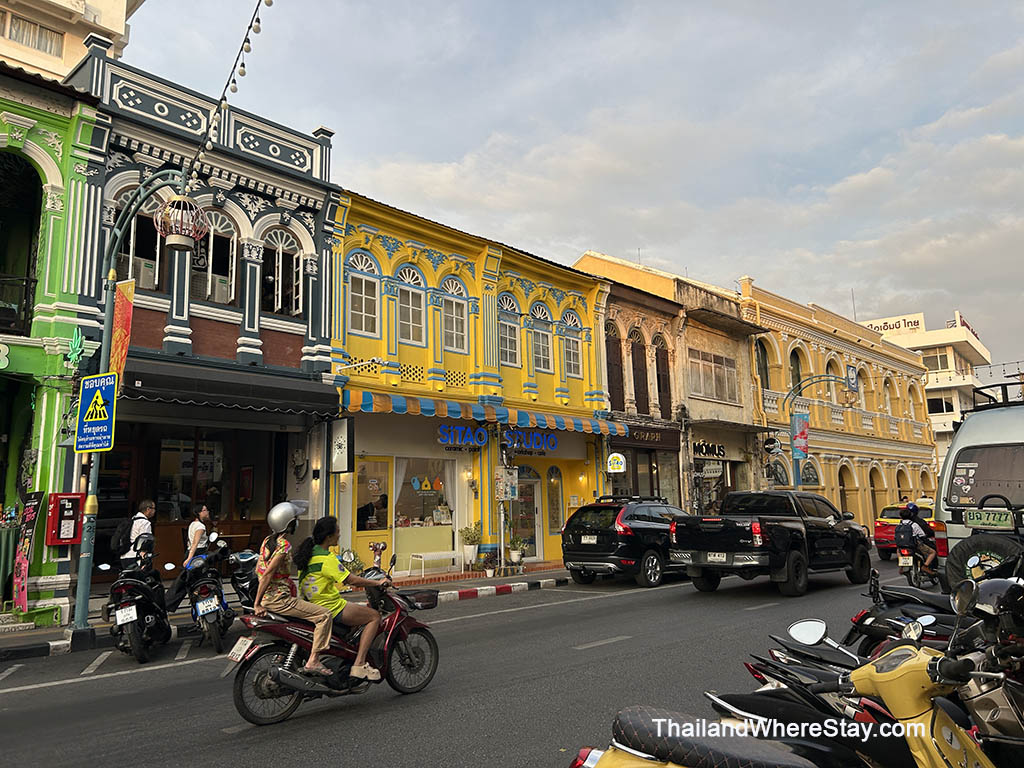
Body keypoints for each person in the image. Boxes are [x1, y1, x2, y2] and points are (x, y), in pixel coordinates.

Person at [293, 516, 390, 681]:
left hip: (310, 606)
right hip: (330, 607)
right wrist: (377, 582)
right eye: (337, 532)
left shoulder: (309, 554)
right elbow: (350, 580)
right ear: (329, 537)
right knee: (374, 616)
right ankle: (359, 664)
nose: (339, 535)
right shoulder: (327, 558)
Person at [254, 502, 333, 676]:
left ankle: (285, 657)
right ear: (288, 523)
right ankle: (313, 660)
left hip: (273, 597)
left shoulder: (267, 541)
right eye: (295, 519)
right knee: (324, 615)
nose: (297, 523)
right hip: (278, 599)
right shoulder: (283, 546)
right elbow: (268, 574)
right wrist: (257, 603)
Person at [899, 503, 936, 574]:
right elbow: (923, 534)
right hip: (915, 544)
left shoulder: (900, 524)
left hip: (902, 545)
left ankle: (902, 566)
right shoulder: (915, 523)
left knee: (898, 551)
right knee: (933, 552)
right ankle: (926, 566)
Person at [122, 499, 156, 569]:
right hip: (136, 557)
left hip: (125, 555)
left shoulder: (133, 519)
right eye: (153, 508)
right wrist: (144, 560)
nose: (154, 511)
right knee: (139, 578)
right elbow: (145, 542)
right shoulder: (144, 523)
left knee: (129, 578)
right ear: (148, 509)